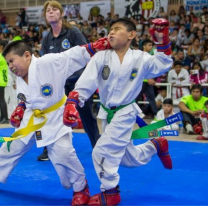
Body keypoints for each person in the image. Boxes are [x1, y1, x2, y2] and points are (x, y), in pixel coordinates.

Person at [63, 18, 173, 206]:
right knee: (129, 158)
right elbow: (86, 82)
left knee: (101, 151)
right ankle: (156, 145)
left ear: (131, 35)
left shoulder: (141, 57)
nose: (110, 33)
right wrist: (73, 102)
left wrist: (162, 42)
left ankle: (111, 192)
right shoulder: (101, 57)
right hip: (107, 114)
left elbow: (163, 65)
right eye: (109, 30)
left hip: (126, 113)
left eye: (116, 29)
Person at [0, 37, 110, 206]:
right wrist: (21, 107)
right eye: (8, 63)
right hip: (31, 118)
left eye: (12, 61)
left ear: (27, 55)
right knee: (10, 147)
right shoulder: (20, 74)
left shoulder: (49, 62)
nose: (10, 66)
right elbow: (25, 95)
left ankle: (81, 188)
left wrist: (93, 47)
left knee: (65, 154)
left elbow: (72, 55)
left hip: (55, 118)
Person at [38, 0, 101, 161]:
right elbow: (44, 62)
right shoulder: (46, 38)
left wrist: (90, 80)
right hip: (57, 84)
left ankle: (98, 146)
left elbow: (88, 54)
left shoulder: (72, 32)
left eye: (54, 9)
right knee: (51, 115)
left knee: (86, 115)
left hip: (78, 82)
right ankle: (47, 149)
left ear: (61, 13)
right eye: (47, 11)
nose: (50, 12)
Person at [136, 39, 158, 118]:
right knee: (136, 98)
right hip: (141, 81)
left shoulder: (150, 56)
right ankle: (136, 113)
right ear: (144, 46)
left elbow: (150, 69)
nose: (151, 47)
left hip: (148, 81)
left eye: (151, 45)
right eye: (149, 45)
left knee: (151, 97)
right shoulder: (140, 56)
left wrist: (151, 78)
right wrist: (148, 78)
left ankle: (156, 114)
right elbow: (141, 68)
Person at [0, 40, 9, 124]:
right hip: (2, 80)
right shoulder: (3, 56)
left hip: (1, 80)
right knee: (1, 99)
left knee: (1, 100)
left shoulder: (1, 56)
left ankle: (5, 117)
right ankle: (2, 117)